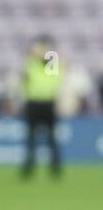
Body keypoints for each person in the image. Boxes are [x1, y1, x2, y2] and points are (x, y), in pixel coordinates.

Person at [20, 35, 62, 179]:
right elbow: (25, 80)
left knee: (51, 138)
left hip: (48, 102)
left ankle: (55, 168)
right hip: (33, 103)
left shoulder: (51, 62)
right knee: (31, 137)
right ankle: (29, 168)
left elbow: (54, 82)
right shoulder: (30, 63)